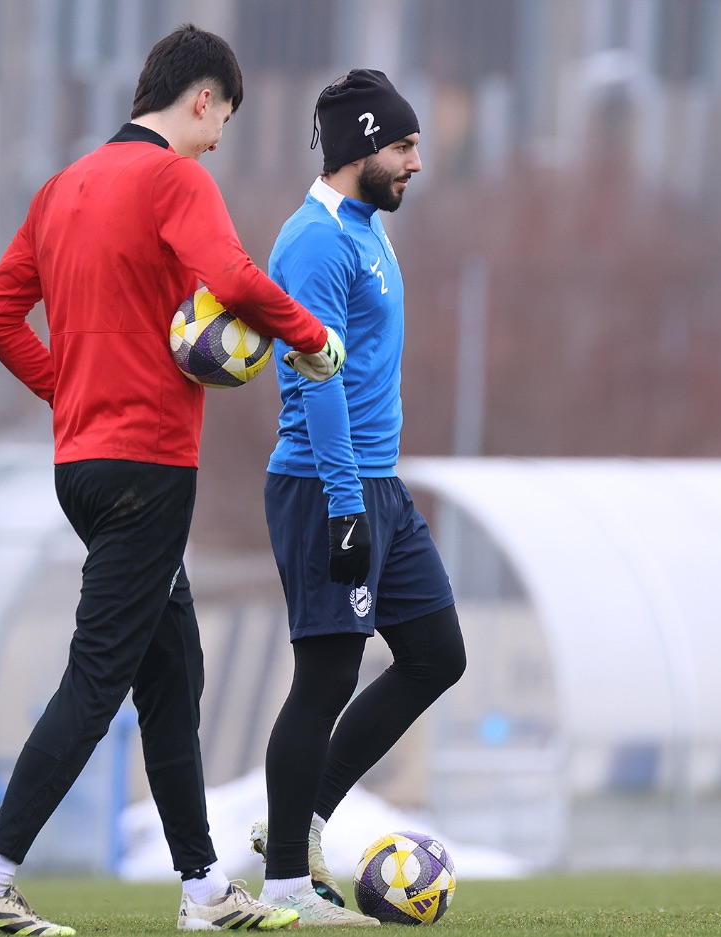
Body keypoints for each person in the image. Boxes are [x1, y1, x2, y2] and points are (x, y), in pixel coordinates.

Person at [0, 25, 345, 936]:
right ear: (201, 98)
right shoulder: (175, 179)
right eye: (223, 120)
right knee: (98, 679)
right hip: (148, 469)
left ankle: (204, 891)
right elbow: (231, 276)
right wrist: (310, 336)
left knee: (173, 672)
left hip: (82, 465)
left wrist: (67, 389)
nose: (218, 141)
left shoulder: (62, 187)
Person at [250, 70, 467, 927]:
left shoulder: (369, 230)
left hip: (378, 483)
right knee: (327, 676)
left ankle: (300, 822)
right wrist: (345, 505)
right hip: (324, 484)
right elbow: (318, 379)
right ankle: (284, 885)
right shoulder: (314, 240)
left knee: (437, 654)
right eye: (404, 146)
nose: (416, 162)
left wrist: (369, 493)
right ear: (362, 147)